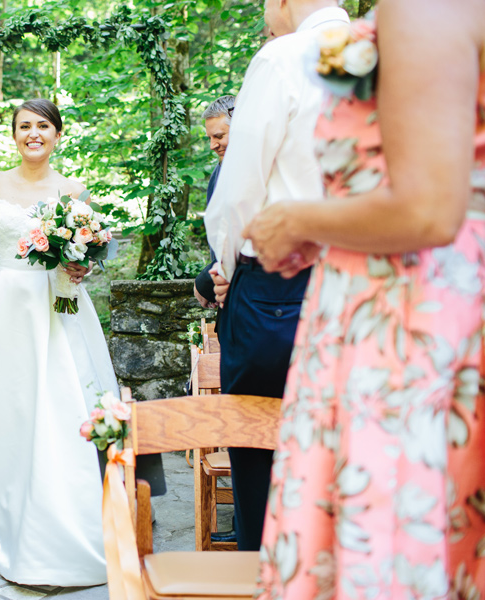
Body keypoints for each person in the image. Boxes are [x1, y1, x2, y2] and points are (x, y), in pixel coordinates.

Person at [241, 0, 485, 595]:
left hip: (404, 319)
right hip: (392, 298)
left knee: (391, 527)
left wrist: (296, 219)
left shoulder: (425, 9)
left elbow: (427, 211)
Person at [0, 98, 114, 586]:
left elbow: (87, 250)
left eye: (42, 126)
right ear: (13, 134)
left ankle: (64, 508)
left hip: (58, 304)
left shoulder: (74, 187)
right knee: (0, 404)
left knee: (61, 404)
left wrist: (83, 262)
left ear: (57, 134)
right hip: (2, 306)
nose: (32, 133)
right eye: (23, 126)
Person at [203, 0, 350, 551]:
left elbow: (237, 193)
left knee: (261, 451)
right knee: (342, 455)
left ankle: (265, 573)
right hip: (364, 287)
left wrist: (225, 263)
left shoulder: (281, 58)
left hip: (276, 292)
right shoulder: (384, 54)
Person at [194, 95, 234, 309]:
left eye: (218, 136)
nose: (212, 145)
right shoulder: (219, 171)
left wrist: (204, 282)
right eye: (209, 137)